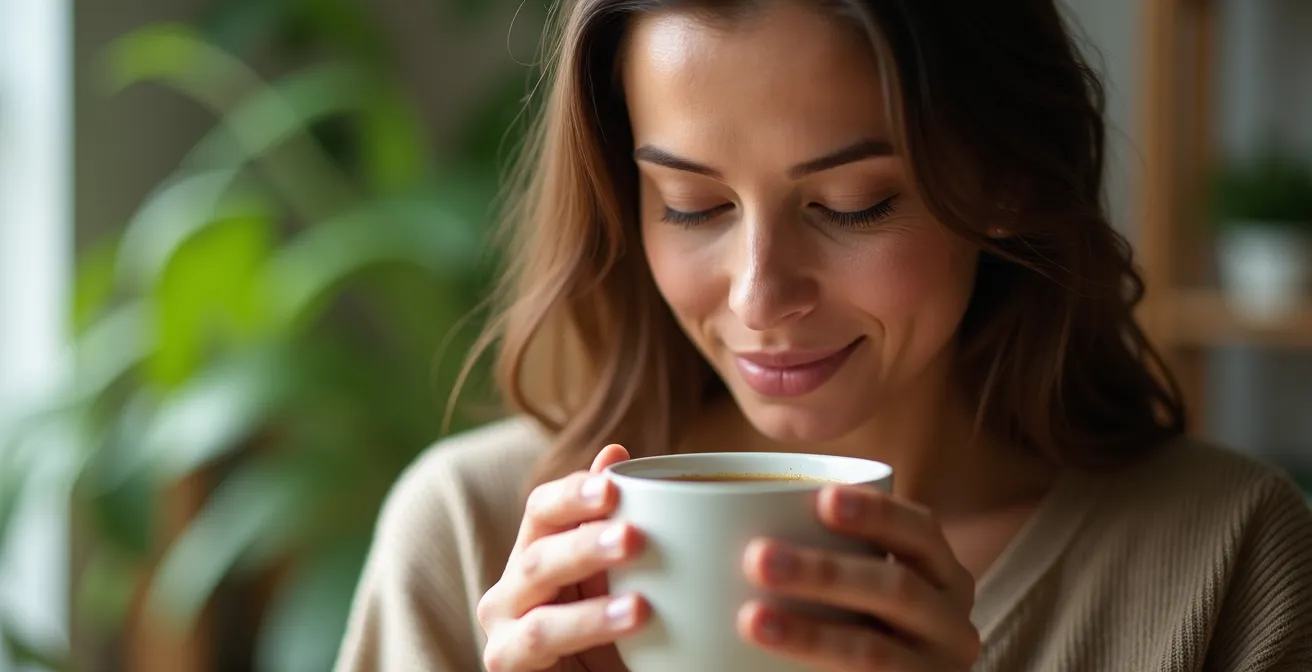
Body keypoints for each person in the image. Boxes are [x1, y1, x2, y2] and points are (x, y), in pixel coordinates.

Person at [334, 1, 1312, 670]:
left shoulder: (1226, 562)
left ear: (1006, 177)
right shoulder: (470, 540)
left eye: (852, 204)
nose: (760, 296)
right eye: (690, 204)